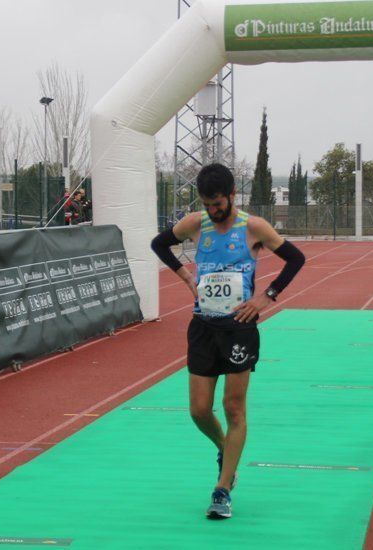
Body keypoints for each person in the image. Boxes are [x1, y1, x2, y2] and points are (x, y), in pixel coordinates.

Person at [150, 163, 305, 520]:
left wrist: (267, 296)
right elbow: (160, 244)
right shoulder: (196, 224)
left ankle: (222, 490)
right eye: (207, 204)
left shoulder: (252, 227)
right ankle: (226, 448)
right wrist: (185, 275)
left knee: (234, 408)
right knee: (199, 410)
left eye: (217, 203)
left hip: (239, 327)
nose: (212, 210)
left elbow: (295, 259)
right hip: (203, 326)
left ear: (232, 195)